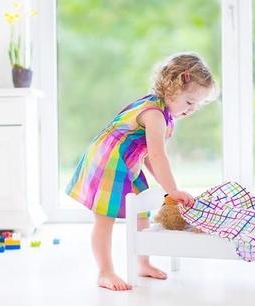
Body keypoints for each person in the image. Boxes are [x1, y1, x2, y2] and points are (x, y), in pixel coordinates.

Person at [65, 52, 216, 291]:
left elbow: (147, 156)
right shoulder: (154, 114)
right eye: (189, 102)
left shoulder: (165, 115)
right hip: (108, 163)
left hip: (127, 164)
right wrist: (172, 190)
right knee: (105, 219)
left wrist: (167, 190)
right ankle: (105, 272)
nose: (192, 109)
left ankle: (142, 263)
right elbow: (158, 155)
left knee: (141, 213)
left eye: (197, 105)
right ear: (174, 85)